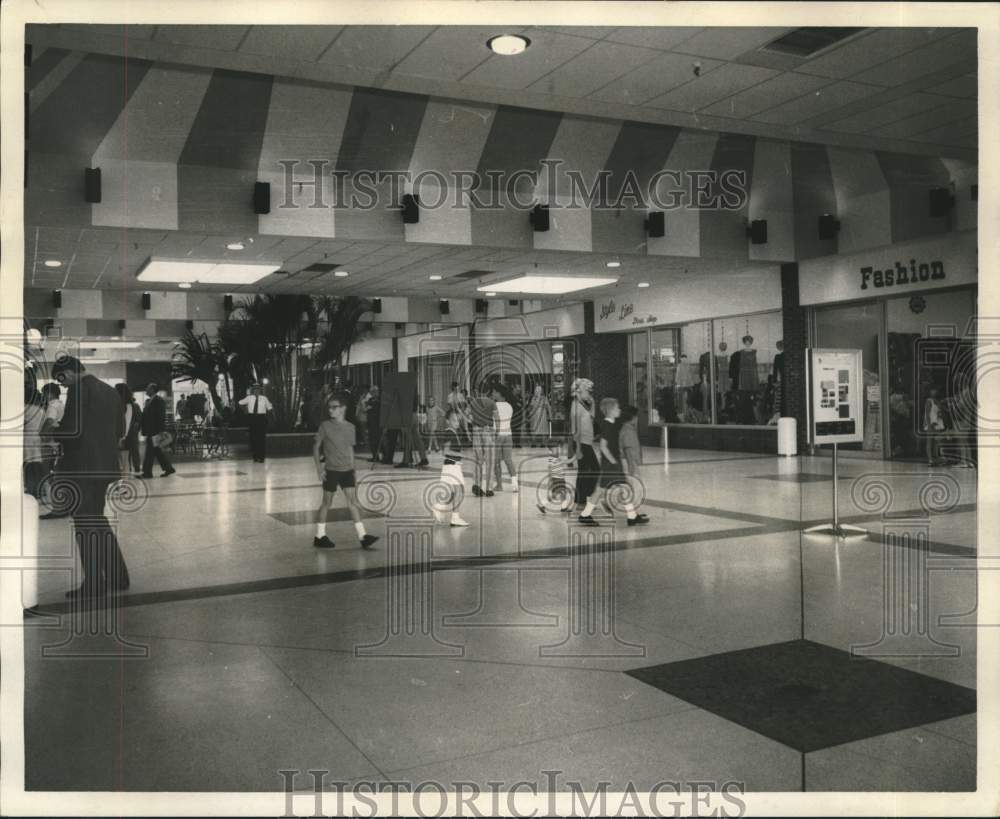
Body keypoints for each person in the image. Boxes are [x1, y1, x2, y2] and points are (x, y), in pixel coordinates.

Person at [48, 355, 130, 598]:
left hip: (81, 469)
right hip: (104, 468)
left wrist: (53, 430)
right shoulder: (110, 391)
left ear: (71, 372)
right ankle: (118, 576)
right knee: (97, 520)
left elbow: (72, 432)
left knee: (85, 525)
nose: (61, 385)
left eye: (61, 379)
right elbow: (119, 430)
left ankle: (94, 584)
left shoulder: (78, 390)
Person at [312, 393, 379, 550]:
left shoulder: (350, 427)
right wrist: (319, 468)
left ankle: (363, 536)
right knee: (326, 503)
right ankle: (319, 536)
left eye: (334, 407)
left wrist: (353, 468)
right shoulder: (325, 426)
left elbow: (350, 449)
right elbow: (315, 447)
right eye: (329, 407)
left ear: (343, 409)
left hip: (347, 471)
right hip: (331, 471)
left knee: (353, 502)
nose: (331, 410)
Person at [594, 397, 648, 526]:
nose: (619, 410)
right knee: (604, 490)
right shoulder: (608, 425)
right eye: (617, 408)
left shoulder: (612, 424)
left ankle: (632, 516)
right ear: (611, 410)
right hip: (611, 463)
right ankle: (585, 514)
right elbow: (603, 446)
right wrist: (613, 461)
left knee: (621, 488)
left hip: (612, 462)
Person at [570, 377, 601, 522]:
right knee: (595, 468)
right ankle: (586, 495)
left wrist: (592, 403)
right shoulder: (576, 407)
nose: (590, 393)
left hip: (587, 441)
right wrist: (578, 449)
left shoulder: (584, 405)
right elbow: (575, 430)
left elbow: (592, 418)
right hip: (582, 443)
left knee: (583, 471)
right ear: (580, 391)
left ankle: (580, 499)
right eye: (588, 391)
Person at [436, 410, 470, 527]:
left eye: (458, 420)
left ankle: (440, 507)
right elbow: (445, 451)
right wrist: (461, 455)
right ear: (447, 421)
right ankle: (455, 517)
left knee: (456, 492)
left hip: (453, 465)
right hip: (451, 466)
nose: (457, 423)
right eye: (454, 420)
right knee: (459, 492)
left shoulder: (454, 432)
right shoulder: (449, 432)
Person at [467, 383, 496, 498]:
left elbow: (466, 415)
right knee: (489, 461)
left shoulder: (473, 402)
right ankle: (489, 489)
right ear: (488, 392)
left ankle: (477, 484)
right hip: (487, 430)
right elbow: (497, 418)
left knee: (478, 459)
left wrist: (470, 424)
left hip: (476, 430)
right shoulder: (492, 403)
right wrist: (497, 431)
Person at [141, 382, 175, 478]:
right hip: (150, 431)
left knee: (149, 452)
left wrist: (160, 431)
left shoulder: (158, 401)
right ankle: (168, 468)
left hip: (155, 431)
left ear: (152, 390)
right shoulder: (149, 401)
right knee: (157, 451)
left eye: (148, 388)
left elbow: (161, 417)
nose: (146, 390)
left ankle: (147, 473)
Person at [536, 437, 576, 514]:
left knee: (562, 494)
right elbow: (567, 461)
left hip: (560, 479)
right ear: (551, 450)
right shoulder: (554, 459)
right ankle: (542, 504)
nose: (558, 450)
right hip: (557, 480)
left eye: (559, 448)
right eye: (556, 449)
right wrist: (575, 457)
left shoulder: (555, 457)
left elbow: (552, 468)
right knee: (556, 495)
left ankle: (564, 507)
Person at [491, 384, 518, 492]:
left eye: (493, 392)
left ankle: (499, 485)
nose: (492, 394)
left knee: (496, 461)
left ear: (498, 393)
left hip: (498, 435)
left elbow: (494, 421)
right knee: (508, 460)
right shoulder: (509, 406)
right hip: (508, 435)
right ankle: (515, 485)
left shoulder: (494, 405)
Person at [239, 383, 273, 463]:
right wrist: (245, 410)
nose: (256, 391)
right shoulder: (249, 398)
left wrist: (268, 417)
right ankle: (255, 456)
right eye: (255, 389)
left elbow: (269, 408)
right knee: (253, 438)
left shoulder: (264, 398)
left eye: (258, 389)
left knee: (261, 439)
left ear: (260, 390)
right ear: (253, 391)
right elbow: (240, 403)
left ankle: (261, 457)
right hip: (252, 419)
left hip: (261, 419)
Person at [115, 383, 143, 476]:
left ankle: (125, 483)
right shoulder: (124, 404)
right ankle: (131, 472)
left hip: (125, 436)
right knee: (126, 458)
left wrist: (122, 437)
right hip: (126, 435)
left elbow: (126, 422)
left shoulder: (128, 405)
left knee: (125, 459)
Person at [23, 386, 45, 498]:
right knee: (37, 463)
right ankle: (39, 489)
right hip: (37, 437)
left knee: (28, 464)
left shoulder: (24, 409)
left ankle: (31, 489)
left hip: (26, 437)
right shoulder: (41, 410)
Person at [923, 386, 947, 466]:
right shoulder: (929, 401)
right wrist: (929, 424)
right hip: (931, 423)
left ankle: (936, 458)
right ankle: (930, 460)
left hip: (938, 423)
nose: (934, 391)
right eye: (932, 390)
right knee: (929, 442)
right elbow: (927, 414)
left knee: (937, 442)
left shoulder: (938, 401)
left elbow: (941, 412)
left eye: (935, 390)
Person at [619, 405, 642, 475]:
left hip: (631, 465)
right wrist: (633, 469)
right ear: (633, 418)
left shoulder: (627, 429)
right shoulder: (629, 432)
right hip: (632, 466)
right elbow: (629, 451)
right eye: (637, 416)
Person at [362, 385, 382, 462]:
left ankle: (378, 456)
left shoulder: (378, 401)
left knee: (377, 440)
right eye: (372, 392)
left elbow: (366, 409)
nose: (373, 393)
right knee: (372, 440)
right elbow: (366, 409)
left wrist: (366, 405)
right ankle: (375, 456)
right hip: (371, 423)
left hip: (376, 423)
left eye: (375, 391)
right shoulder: (371, 400)